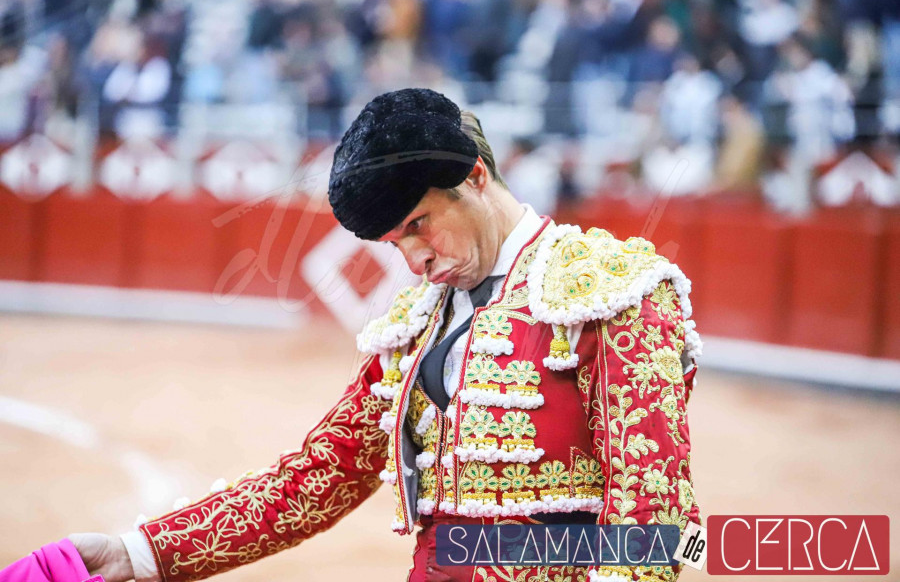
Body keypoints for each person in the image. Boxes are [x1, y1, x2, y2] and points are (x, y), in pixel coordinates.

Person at [68, 88, 703, 581]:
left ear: (476, 177)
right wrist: (139, 553)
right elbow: (319, 475)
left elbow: (651, 509)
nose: (415, 260)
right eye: (397, 241)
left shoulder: (612, 291)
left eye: (420, 224)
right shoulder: (417, 324)